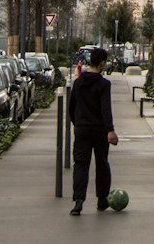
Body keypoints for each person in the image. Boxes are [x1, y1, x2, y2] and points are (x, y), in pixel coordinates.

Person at [67, 46, 118, 215]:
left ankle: (78, 201)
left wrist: (76, 124)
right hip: (99, 130)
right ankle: (102, 199)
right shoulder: (104, 84)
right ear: (102, 63)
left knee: (81, 164)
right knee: (102, 163)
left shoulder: (78, 82)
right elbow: (106, 110)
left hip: (81, 129)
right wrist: (110, 130)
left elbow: (71, 106)